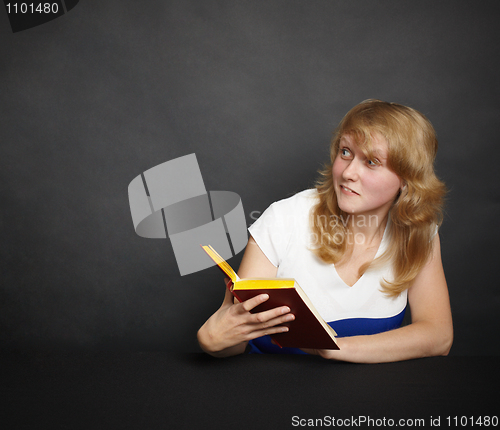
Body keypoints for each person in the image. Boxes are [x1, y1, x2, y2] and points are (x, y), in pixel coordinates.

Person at [197, 99, 453, 363]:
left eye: (372, 161)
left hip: (368, 398)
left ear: (407, 178)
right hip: (273, 389)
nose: (348, 172)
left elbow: (439, 336)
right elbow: (238, 340)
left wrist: (333, 348)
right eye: (345, 152)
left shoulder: (419, 233)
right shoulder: (283, 218)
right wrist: (215, 340)